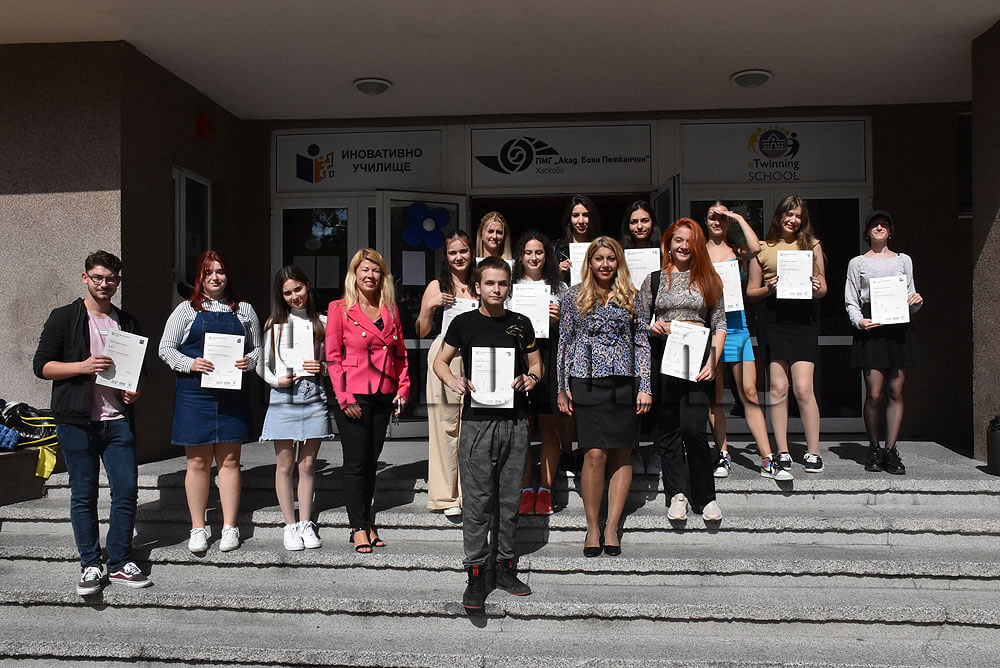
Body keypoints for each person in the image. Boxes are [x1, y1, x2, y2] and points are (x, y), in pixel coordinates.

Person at [33, 250, 153, 594]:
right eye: (97, 277)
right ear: (85, 278)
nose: (104, 284)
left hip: (117, 422)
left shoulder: (127, 322)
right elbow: (42, 366)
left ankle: (119, 562)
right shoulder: (64, 317)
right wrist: (82, 367)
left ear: (118, 281)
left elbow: (139, 371)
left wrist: (136, 390)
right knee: (83, 495)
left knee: (126, 492)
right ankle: (90, 564)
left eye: (110, 278)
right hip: (76, 422)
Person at [434, 255, 543, 610]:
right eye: (490, 283)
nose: (497, 289)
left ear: (509, 287)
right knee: (478, 503)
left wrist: (531, 378)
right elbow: (439, 361)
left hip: (514, 422)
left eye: (503, 283)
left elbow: (537, 364)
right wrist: (454, 380)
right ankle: (477, 574)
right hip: (477, 424)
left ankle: (505, 568)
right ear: (478, 287)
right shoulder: (463, 323)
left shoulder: (521, 323)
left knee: (509, 501)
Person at [159, 250, 261, 553]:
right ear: (200, 277)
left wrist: (249, 361)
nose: (215, 277)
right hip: (195, 395)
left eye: (220, 271)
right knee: (198, 462)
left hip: (232, 396)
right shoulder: (185, 311)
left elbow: (259, 349)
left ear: (227, 275)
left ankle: (229, 526)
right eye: (208, 272)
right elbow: (165, 348)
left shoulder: (244, 310)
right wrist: (191, 363)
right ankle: (198, 527)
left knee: (230, 461)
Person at [558, 237, 651, 556]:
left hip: (624, 381)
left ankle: (612, 526)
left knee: (622, 453)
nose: (605, 264)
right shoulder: (573, 296)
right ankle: (593, 527)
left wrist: (645, 386)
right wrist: (561, 386)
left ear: (618, 262)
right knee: (594, 453)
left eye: (611, 258)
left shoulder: (632, 296)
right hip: (585, 381)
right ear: (590, 262)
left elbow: (642, 342)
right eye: (599, 258)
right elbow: (565, 342)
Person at [641, 220, 727, 522]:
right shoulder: (653, 280)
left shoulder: (710, 279)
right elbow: (639, 321)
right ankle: (677, 494)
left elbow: (719, 323)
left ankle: (706, 497)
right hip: (665, 356)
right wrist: (652, 327)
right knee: (669, 429)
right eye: (678, 240)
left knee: (694, 428)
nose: (684, 246)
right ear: (669, 243)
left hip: (698, 356)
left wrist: (712, 361)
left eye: (690, 241)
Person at [326, 248, 410, 553]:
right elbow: (333, 358)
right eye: (364, 269)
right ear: (354, 274)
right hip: (354, 395)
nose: (370, 275)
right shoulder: (339, 309)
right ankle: (358, 527)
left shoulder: (390, 309)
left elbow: (400, 354)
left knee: (371, 462)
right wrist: (344, 397)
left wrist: (403, 388)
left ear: (382, 276)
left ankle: (366, 521)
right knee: (356, 462)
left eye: (376, 270)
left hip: (383, 394)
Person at [704, 203, 793, 481]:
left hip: (736, 326)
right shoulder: (699, 252)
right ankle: (722, 453)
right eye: (712, 217)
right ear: (705, 221)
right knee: (715, 397)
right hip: (709, 328)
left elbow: (756, 248)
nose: (717, 221)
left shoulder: (737, 250)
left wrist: (737, 217)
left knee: (750, 392)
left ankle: (767, 460)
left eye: (722, 217)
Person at [747, 196, 828, 473]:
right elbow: (751, 292)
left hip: (803, 319)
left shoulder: (812, 245)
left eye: (798, 216)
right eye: (789, 214)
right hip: (773, 319)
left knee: (804, 388)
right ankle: (782, 451)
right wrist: (768, 288)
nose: (793, 220)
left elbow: (823, 289)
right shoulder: (762, 248)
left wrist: (816, 287)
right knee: (779, 389)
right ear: (779, 215)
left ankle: (813, 452)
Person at [257, 266, 333, 550]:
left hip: (314, 395)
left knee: (308, 464)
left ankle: (305, 523)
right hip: (283, 396)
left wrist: (323, 367)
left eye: (297, 289)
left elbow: (337, 361)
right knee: (285, 464)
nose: (294, 296)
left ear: (307, 286)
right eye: (287, 293)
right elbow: (261, 364)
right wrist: (276, 379)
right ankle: (289, 525)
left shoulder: (323, 322)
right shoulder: (275, 324)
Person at [845, 210, 923, 474]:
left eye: (884, 225)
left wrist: (916, 302)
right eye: (874, 225)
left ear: (890, 231)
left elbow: (911, 296)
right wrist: (859, 321)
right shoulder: (857, 263)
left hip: (898, 328)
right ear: (867, 232)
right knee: (874, 393)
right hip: (872, 328)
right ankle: (874, 448)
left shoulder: (903, 260)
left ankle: (891, 450)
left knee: (896, 391)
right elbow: (851, 300)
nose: (879, 228)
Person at [510, 230, 571, 516]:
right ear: (520, 256)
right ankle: (525, 488)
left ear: (546, 256)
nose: (534, 258)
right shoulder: (510, 286)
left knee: (549, 425)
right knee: (522, 427)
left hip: (548, 354)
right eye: (528, 252)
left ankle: (545, 488)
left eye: (539, 252)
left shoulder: (560, 287)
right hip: (519, 359)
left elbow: (571, 329)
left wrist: (557, 320)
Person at [416, 230, 475, 517]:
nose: (459, 257)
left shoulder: (480, 282)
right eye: (453, 252)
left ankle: (469, 492)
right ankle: (445, 496)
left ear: (472, 252)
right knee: (445, 426)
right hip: (445, 357)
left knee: (472, 427)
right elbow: (421, 330)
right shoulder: (437, 285)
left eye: (463, 251)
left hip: (477, 356)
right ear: (446, 256)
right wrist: (430, 305)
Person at [555, 195, 603, 280]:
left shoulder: (601, 246)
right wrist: (559, 274)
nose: (581, 221)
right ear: (569, 219)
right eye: (575, 215)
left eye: (585, 215)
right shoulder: (557, 248)